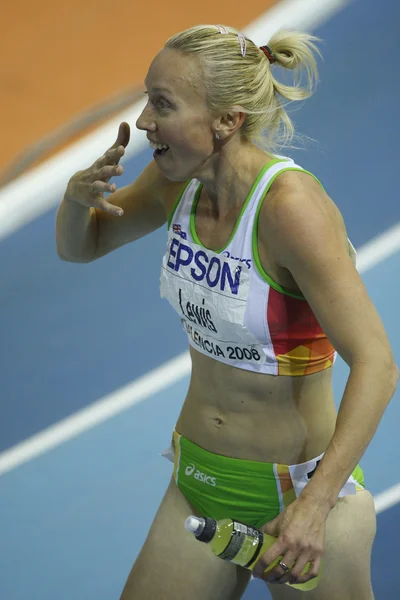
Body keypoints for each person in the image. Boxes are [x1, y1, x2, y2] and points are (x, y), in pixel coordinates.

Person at [56, 24, 398, 600]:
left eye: (162, 105)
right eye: (147, 98)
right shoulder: (177, 184)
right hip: (198, 482)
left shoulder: (291, 211)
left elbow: (377, 364)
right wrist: (74, 198)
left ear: (226, 121)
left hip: (296, 496)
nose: (143, 122)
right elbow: (84, 245)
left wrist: (315, 506)